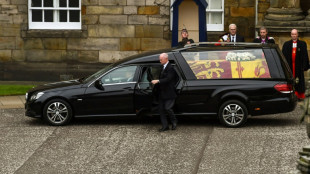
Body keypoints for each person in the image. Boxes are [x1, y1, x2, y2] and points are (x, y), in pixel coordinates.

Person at [151, 53, 178, 132]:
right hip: (161, 93)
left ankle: (174, 121)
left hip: (169, 92)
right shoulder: (163, 67)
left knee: (168, 108)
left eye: (161, 59)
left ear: (166, 59)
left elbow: (168, 79)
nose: (160, 61)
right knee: (161, 110)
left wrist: (158, 81)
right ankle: (165, 126)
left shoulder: (170, 68)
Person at [282, 29, 309, 100]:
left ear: (297, 35)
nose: (294, 35)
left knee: (299, 80)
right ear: (291, 35)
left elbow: (305, 56)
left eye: (295, 34)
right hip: (290, 66)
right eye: (292, 34)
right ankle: (290, 95)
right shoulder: (286, 44)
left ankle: (299, 95)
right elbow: (283, 56)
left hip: (298, 67)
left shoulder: (302, 44)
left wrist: (304, 66)